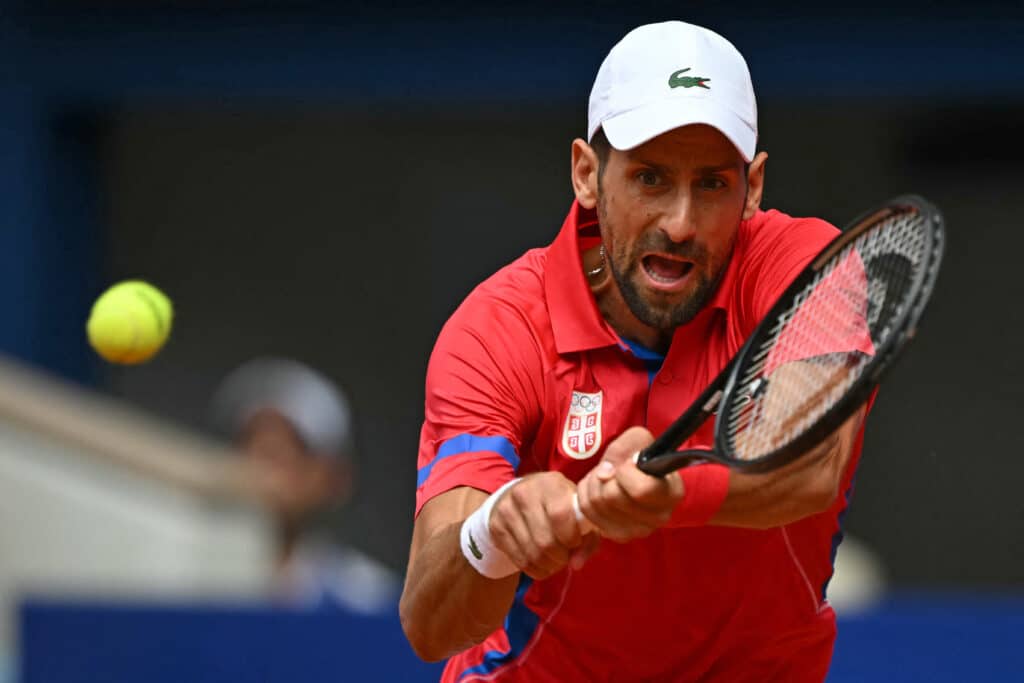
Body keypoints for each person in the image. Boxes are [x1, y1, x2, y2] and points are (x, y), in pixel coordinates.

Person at [401, 20, 871, 682]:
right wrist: (492, 533)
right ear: (586, 174)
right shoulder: (499, 330)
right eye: (650, 178)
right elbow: (429, 621)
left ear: (754, 186)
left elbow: (812, 461)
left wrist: (672, 492)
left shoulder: (803, 268)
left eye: (711, 184)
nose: (680, 221)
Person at [212, 357, 400, 615]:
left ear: (336, 478)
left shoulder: (369, 602)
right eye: (248, 440)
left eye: (294, 446)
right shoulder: (188, 584)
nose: (261, 461)